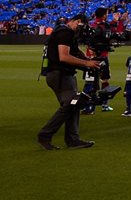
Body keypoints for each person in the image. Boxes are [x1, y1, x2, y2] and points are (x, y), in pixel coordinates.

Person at [38, 12, 101, 150]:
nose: (80, 29)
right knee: (70, 106)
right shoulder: (66, 33)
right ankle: (45, 135)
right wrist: (86, 63)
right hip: (60, 75)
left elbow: (73, 49)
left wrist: (85, 59)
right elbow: (64, 57)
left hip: (62, 74)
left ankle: (72, 139)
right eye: (80, 26)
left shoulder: (64, 32)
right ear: (76, 21)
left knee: (73, 105)